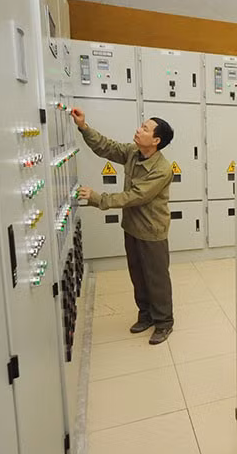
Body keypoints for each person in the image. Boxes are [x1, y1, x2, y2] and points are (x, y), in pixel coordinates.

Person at [71, 107, 176, 345]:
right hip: (131, 227)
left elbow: (135, 196)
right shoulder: (133, 152)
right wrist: (84, 126)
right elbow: (106, 147)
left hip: (151, 231)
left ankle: (164, 322)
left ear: (156, 141)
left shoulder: (162, 169)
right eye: (141, 126)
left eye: (145, 129)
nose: (138, 130)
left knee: (157, 279)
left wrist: (98, 198)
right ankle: (146, 315)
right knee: (138, 276)